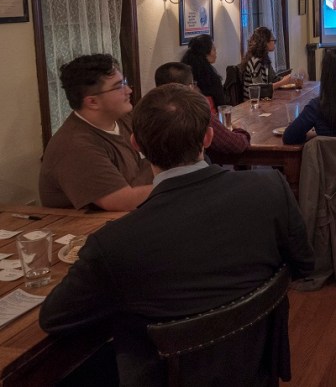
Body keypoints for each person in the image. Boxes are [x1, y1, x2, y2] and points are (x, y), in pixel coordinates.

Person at [39, 84, 314, 387]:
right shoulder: (270, 187)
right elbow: (303, 265)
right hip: (257, 367)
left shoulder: (113, 243)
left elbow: (55, 318)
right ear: (208, 137)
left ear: (136, 144)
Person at [39, 54, 153, 211]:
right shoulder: (75, 145)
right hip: (98, 223)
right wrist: (177, 185)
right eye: (119, 86)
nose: (128, 90)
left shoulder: (124, 118)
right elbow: (122, 201)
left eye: (125, 82)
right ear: (92, 102)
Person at [154, 62, 250, 156]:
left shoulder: (150, 112)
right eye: (193, 84)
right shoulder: (196, 111)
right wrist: (240, 130)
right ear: (189, 87)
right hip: (197, 166)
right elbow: (236, 144)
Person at [181, 34, 226, 108]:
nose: (216, 52)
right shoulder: (211, 79)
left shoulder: (184, 74)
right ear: (205, 54)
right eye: (213, 49)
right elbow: (221, 106)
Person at [242, 27, 291, 93]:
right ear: (265, 42)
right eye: (273, 40)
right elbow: (259, 90)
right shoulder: (255, 61)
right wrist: (282, 82)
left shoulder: (264, 58)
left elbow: (273, 79)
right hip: (253, 98)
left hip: (264, 97)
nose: (274, 42)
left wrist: (289, 80)